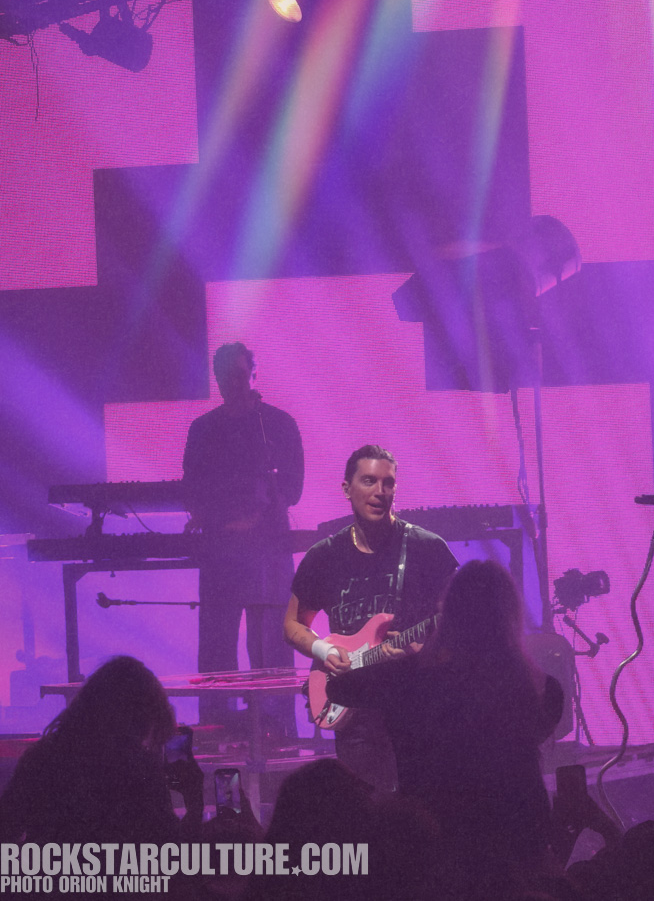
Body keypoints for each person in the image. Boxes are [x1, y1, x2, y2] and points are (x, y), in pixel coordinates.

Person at [325, 559, 564, 897]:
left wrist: (403, 661)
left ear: (448, 614)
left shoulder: (411, 680)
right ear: (511, 616)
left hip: (432, 842)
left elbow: (338, 688)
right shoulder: (544, 690)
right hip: (519, 838)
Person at [284, 444, 457, 791]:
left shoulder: (427, 548)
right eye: (368, 481)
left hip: (418, 706)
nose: (380, 492)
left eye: (388, 483)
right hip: (355, 713)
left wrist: (425, 648)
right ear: (347, 489)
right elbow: (292, 624)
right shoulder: (324, 557)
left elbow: (461, 620)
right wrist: (322, 651)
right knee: (367, 815)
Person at [183, 342, 304, 729]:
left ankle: (278, 730)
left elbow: (294, 488)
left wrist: (255, 514)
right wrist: (214, 517)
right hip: (221, 552)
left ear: (254, 375)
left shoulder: (278, 424)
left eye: (239, 375)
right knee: (217, 645)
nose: (233, 384)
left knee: (270, 646)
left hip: (268, 552)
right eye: (225, 377)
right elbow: (192, 489)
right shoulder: (203, 429)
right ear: (216, 380)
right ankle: (216, 730)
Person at [0, 656, 203, 845]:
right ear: (140, 721)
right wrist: (194, 804)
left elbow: (6, 827)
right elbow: (175, 857)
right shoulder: (137, 771)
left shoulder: (42, 758)